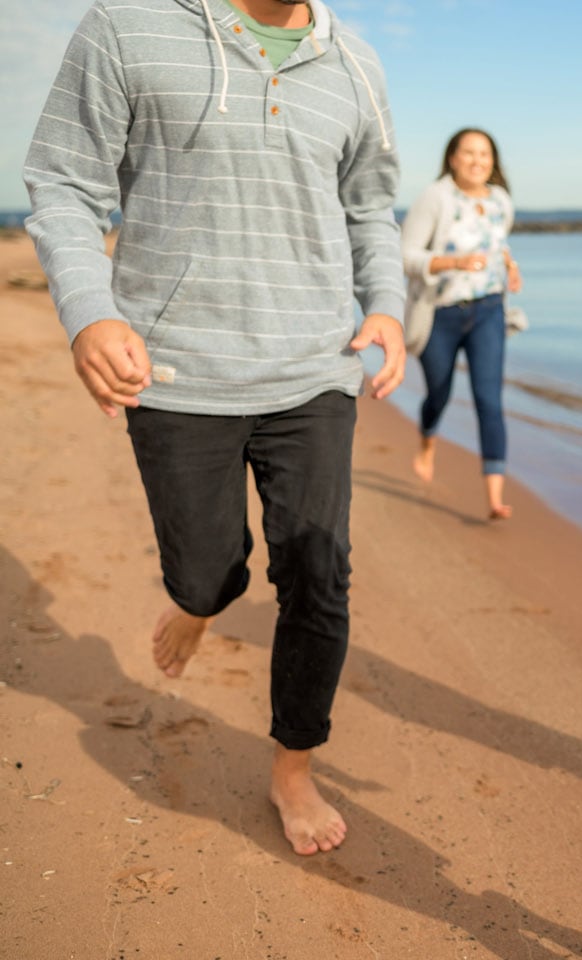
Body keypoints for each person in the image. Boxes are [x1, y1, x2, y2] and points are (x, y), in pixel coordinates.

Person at [22, 0, 405, 856]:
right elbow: (63, 181)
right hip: (176, 372)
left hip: (312, 368)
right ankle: (201, 601)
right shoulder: (124, 27)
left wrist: (385, 305)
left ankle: (293, 769)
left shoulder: (356, 63)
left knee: (319, 572)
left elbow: (371, 207)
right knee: (205, 575)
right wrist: (89, 313)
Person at [401, 127, 522, 519]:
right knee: (439, 392)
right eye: (468, 153)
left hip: (489, 310)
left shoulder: (502, 200)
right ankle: (427, 440)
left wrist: (511, 268)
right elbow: (406, 256)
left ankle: (493, 496)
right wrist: (452, 262)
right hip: (441, 313)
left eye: (484, 154)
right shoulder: (435, 197)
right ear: (452, 158)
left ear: (494, 161)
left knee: (489, 399)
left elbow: (498, 246)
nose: (476, 161)